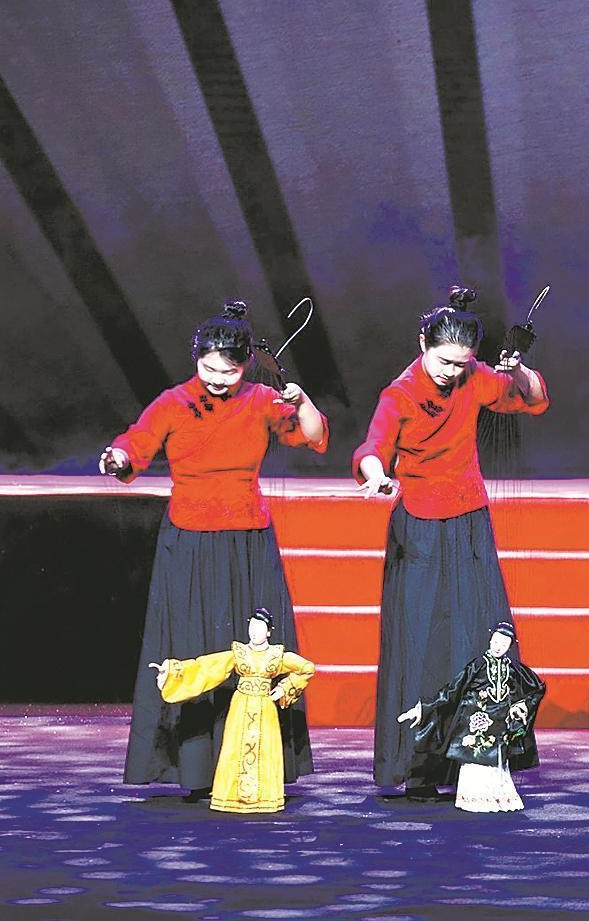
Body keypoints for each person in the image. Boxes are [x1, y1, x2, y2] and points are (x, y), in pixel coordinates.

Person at [102, 300, 327, 794]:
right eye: (209, 369)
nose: (219, 379)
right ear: (196, 360)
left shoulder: (262, 400)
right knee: (192, 641)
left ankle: (254, 763)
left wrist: (302, 400)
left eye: (229, 371)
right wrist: (117, 457)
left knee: (251, 644)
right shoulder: (173, 401)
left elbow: (313, 437)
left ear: (245, 364)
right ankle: (193, 766)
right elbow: (136, 443)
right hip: (190, 537)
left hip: (247, 538)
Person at [353, 286, 549, 794]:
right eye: (443, 362)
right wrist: (376, 476)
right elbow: (373, 446)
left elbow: (532, 400)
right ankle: (418, 765)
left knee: (477, 633)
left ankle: (475, 756)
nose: (451, 372)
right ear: (423, 343)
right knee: (421, 638)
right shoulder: (399, 394)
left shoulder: (472, 377)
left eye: (461, 363)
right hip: (420, 523)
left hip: (469, 520)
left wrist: (518, 371)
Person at [152, 607, 315, 813]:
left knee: (265, 749)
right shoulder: (239, 653)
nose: (254, 631)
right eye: (252, 626)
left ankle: (265, 798)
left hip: (265, 708)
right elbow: (206, 668)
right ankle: (231, 796)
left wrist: (284, 688)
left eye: (259, 627)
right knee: (234, 748)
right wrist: (171, 672)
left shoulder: (276, 655)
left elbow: (307, 668)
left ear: (268, 631)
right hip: (241, 707)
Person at [398, 621, 547, 812]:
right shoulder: (477, 665)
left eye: (504, 643)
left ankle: (497, 797)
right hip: (477, 724)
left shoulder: (514, 669)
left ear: (510, 646)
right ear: (490, 640)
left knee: (497, 762)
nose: (498, 646)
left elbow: (537, 688)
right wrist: (424, 708)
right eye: (496, 641)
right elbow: (452, 691)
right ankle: (474, 798)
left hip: (500, 726)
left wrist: (522, 705)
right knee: (476, 760)